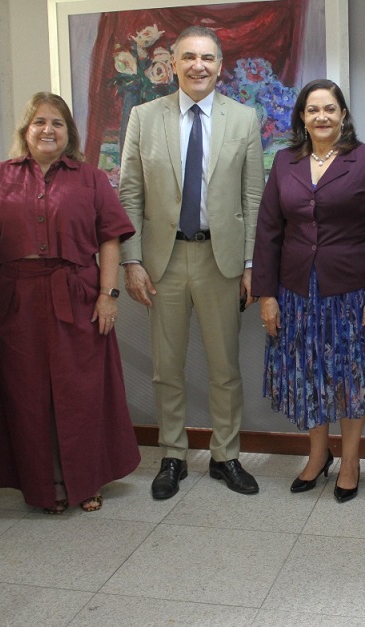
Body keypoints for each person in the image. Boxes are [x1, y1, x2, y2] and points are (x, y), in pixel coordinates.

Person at [0, 92, 140, 514]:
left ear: (69, 132)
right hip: (17, 297)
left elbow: (109, 239)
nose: (48, 130)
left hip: (78, 292)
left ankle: (84, 482)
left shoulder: (91, 178)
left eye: (57, 123)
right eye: (39, 123)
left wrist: (108, 295)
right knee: (26, 392)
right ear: (25, 130)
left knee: (80, 391)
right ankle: (42, 485)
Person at [118, 25, 265, 498]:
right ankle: (173, 455)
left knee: (225, 368)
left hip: (221, 260)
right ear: (173, 64)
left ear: (220, 66)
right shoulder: (144, 117)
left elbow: (252, 196)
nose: (198, 66)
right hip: (164, 260)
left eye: (207, 58)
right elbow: (130, 193)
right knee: (167, 368)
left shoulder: (244, 119)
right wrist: (132, 260)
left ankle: (226, 456)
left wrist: (249, 264)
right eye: (188, 57)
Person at [252, 79, 365, 503]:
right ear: (301, 116)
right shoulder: (285, 162)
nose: (322, 116)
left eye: (330, 109)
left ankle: (351, 461)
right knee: (308, 375)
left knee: (350, 376)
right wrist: (267, 294)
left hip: (353, 292)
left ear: (342, 115)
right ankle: (318, 456)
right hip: (297, 292)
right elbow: (268, 232)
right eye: (313, 109)